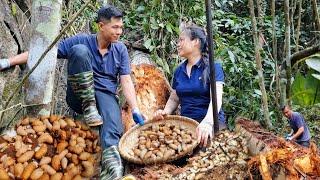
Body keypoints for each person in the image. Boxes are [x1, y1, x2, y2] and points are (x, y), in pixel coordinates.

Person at [0, 5, 145, 179]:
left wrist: (135, 108)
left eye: (121, 27)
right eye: (115, 27)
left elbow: (126, 80)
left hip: (105, 96)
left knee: (113, 128)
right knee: (78, 50)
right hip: (79, 95)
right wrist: (8, 62)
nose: (120, 31)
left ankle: (112, 172)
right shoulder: (82, 40)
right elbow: (45, 53)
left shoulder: (120, 49)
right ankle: (89, 106)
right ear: (101, 26)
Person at [153, 25, 226, 148]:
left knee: (203, 156)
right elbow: (174, 98)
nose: (178, 44)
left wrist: (207, 123)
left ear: (196, 42)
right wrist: (165, 112)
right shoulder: (179, 71)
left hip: (211, 123)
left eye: (181, 40)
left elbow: (216, 98)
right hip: (186, 125)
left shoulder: (213, 67)